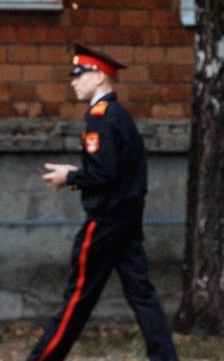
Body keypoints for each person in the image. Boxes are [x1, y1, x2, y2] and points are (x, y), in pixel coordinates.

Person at [25, 45, 173, 361]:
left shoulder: (102, 117)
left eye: (80, 75)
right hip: (126, 219)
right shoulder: (118, 115)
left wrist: (71, 176)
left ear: (99, 76)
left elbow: (104, 173)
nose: (74, 82)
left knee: (78, 296)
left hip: (106, 221)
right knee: (141, 293)